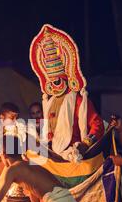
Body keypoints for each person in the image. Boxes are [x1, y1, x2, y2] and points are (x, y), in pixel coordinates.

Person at [30, 24, 104, 161]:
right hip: (52, 152)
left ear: (66, 79)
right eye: (50, 81)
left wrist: (85, 144)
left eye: (56, 81)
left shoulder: (78, 101)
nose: (53, 85)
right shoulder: (49, 102)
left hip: (72, 154)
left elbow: (98, 124)